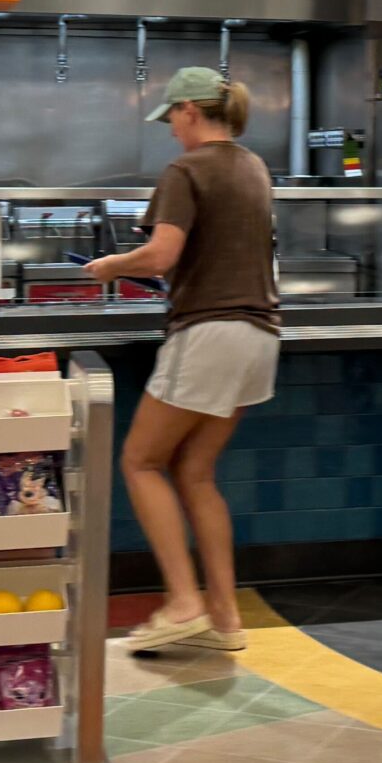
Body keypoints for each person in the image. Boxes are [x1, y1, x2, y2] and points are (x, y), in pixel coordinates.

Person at [87, 68, 277, 655]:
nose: (170, 129)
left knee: (141, 462)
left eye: (171, 116)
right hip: (261, 335)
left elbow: (162, 255)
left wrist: (112, 266)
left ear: (191, 110)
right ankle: (224, 617)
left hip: (210, 333)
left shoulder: (186, 170)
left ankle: (184, 602)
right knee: (195, 473)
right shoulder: (254, 166)